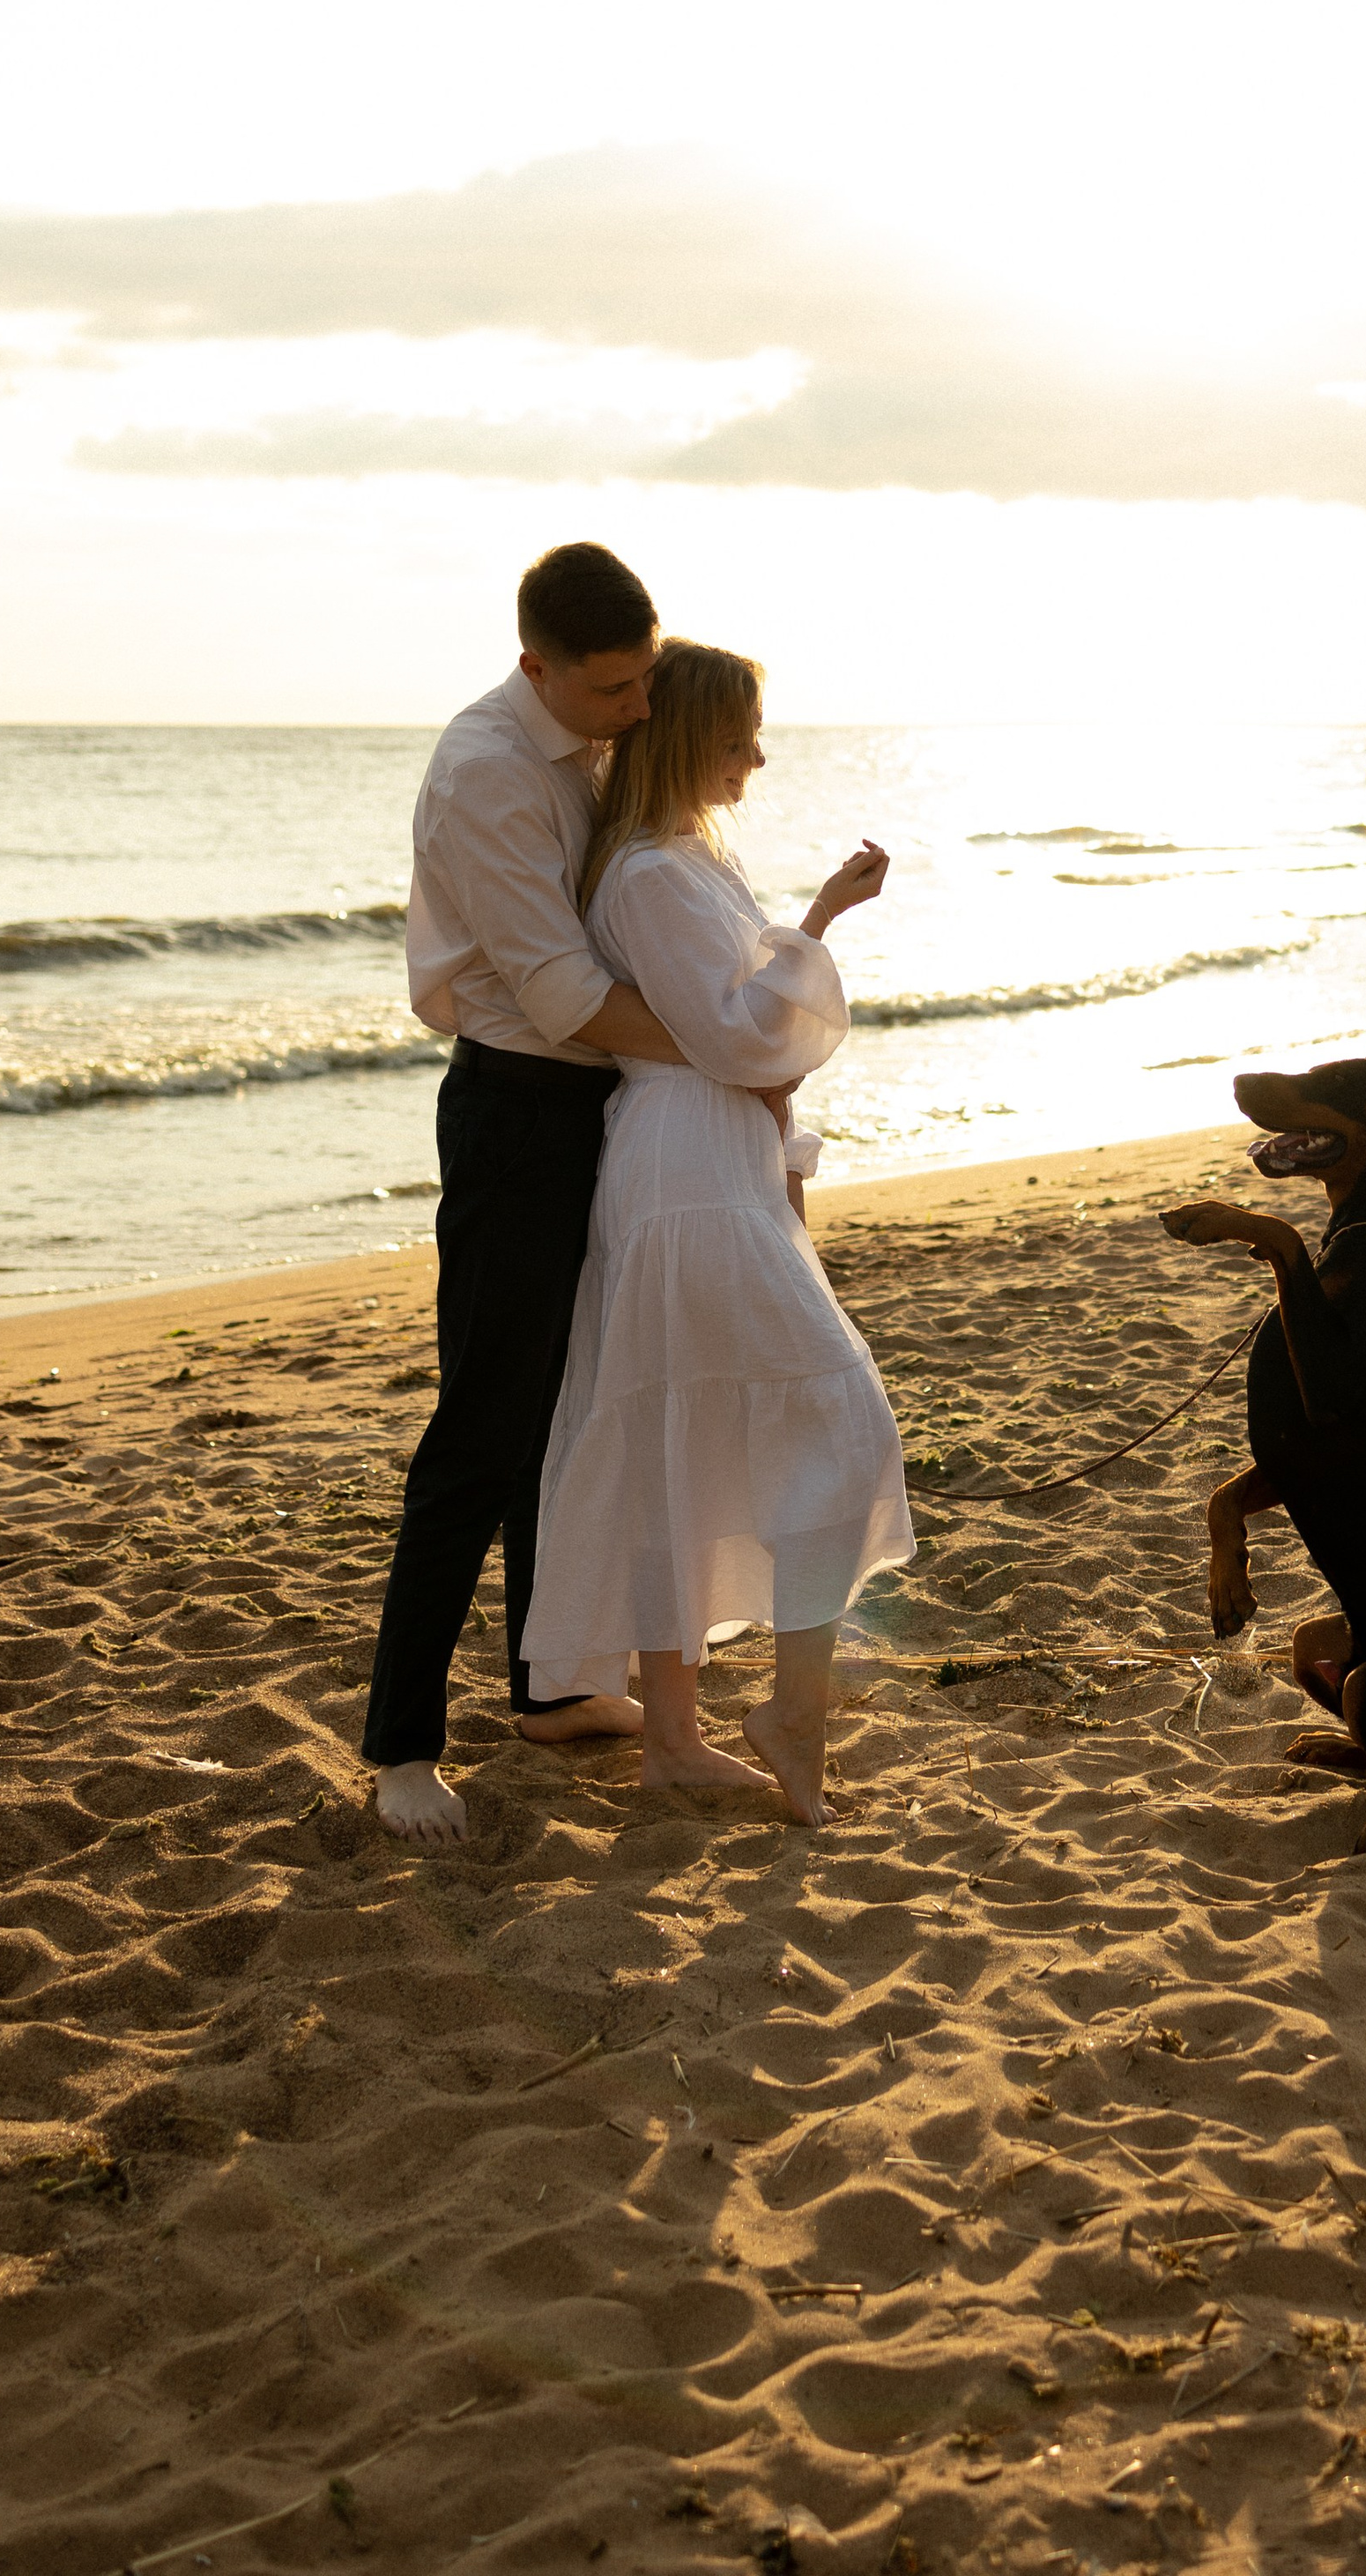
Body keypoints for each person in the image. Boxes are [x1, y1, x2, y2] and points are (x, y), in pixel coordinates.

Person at [362, 544, 776, 1849]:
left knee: (579, 1400)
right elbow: (560, 994)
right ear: (537, 665)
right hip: (516, 1112)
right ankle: (399, 1749)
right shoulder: (488, 773)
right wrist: (731, 1049)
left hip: (600, 1105)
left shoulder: (606, 732)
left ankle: (547, 1690)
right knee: (484, 1427)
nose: (641, 709)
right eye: (614, 691)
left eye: (647, 679)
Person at [520, 639, 912, 1824]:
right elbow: (739, 1042)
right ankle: (784, 1718)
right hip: (684, 1173)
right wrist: (824, 920)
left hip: (712, 1164)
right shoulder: (643, 871)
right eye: (740, 734)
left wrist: (785, 1155)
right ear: (691, 736)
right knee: (838, 1419)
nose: (756, 754)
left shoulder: (686, 857)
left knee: (680, 1440)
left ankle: (678, 1739)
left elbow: (737, 1038)